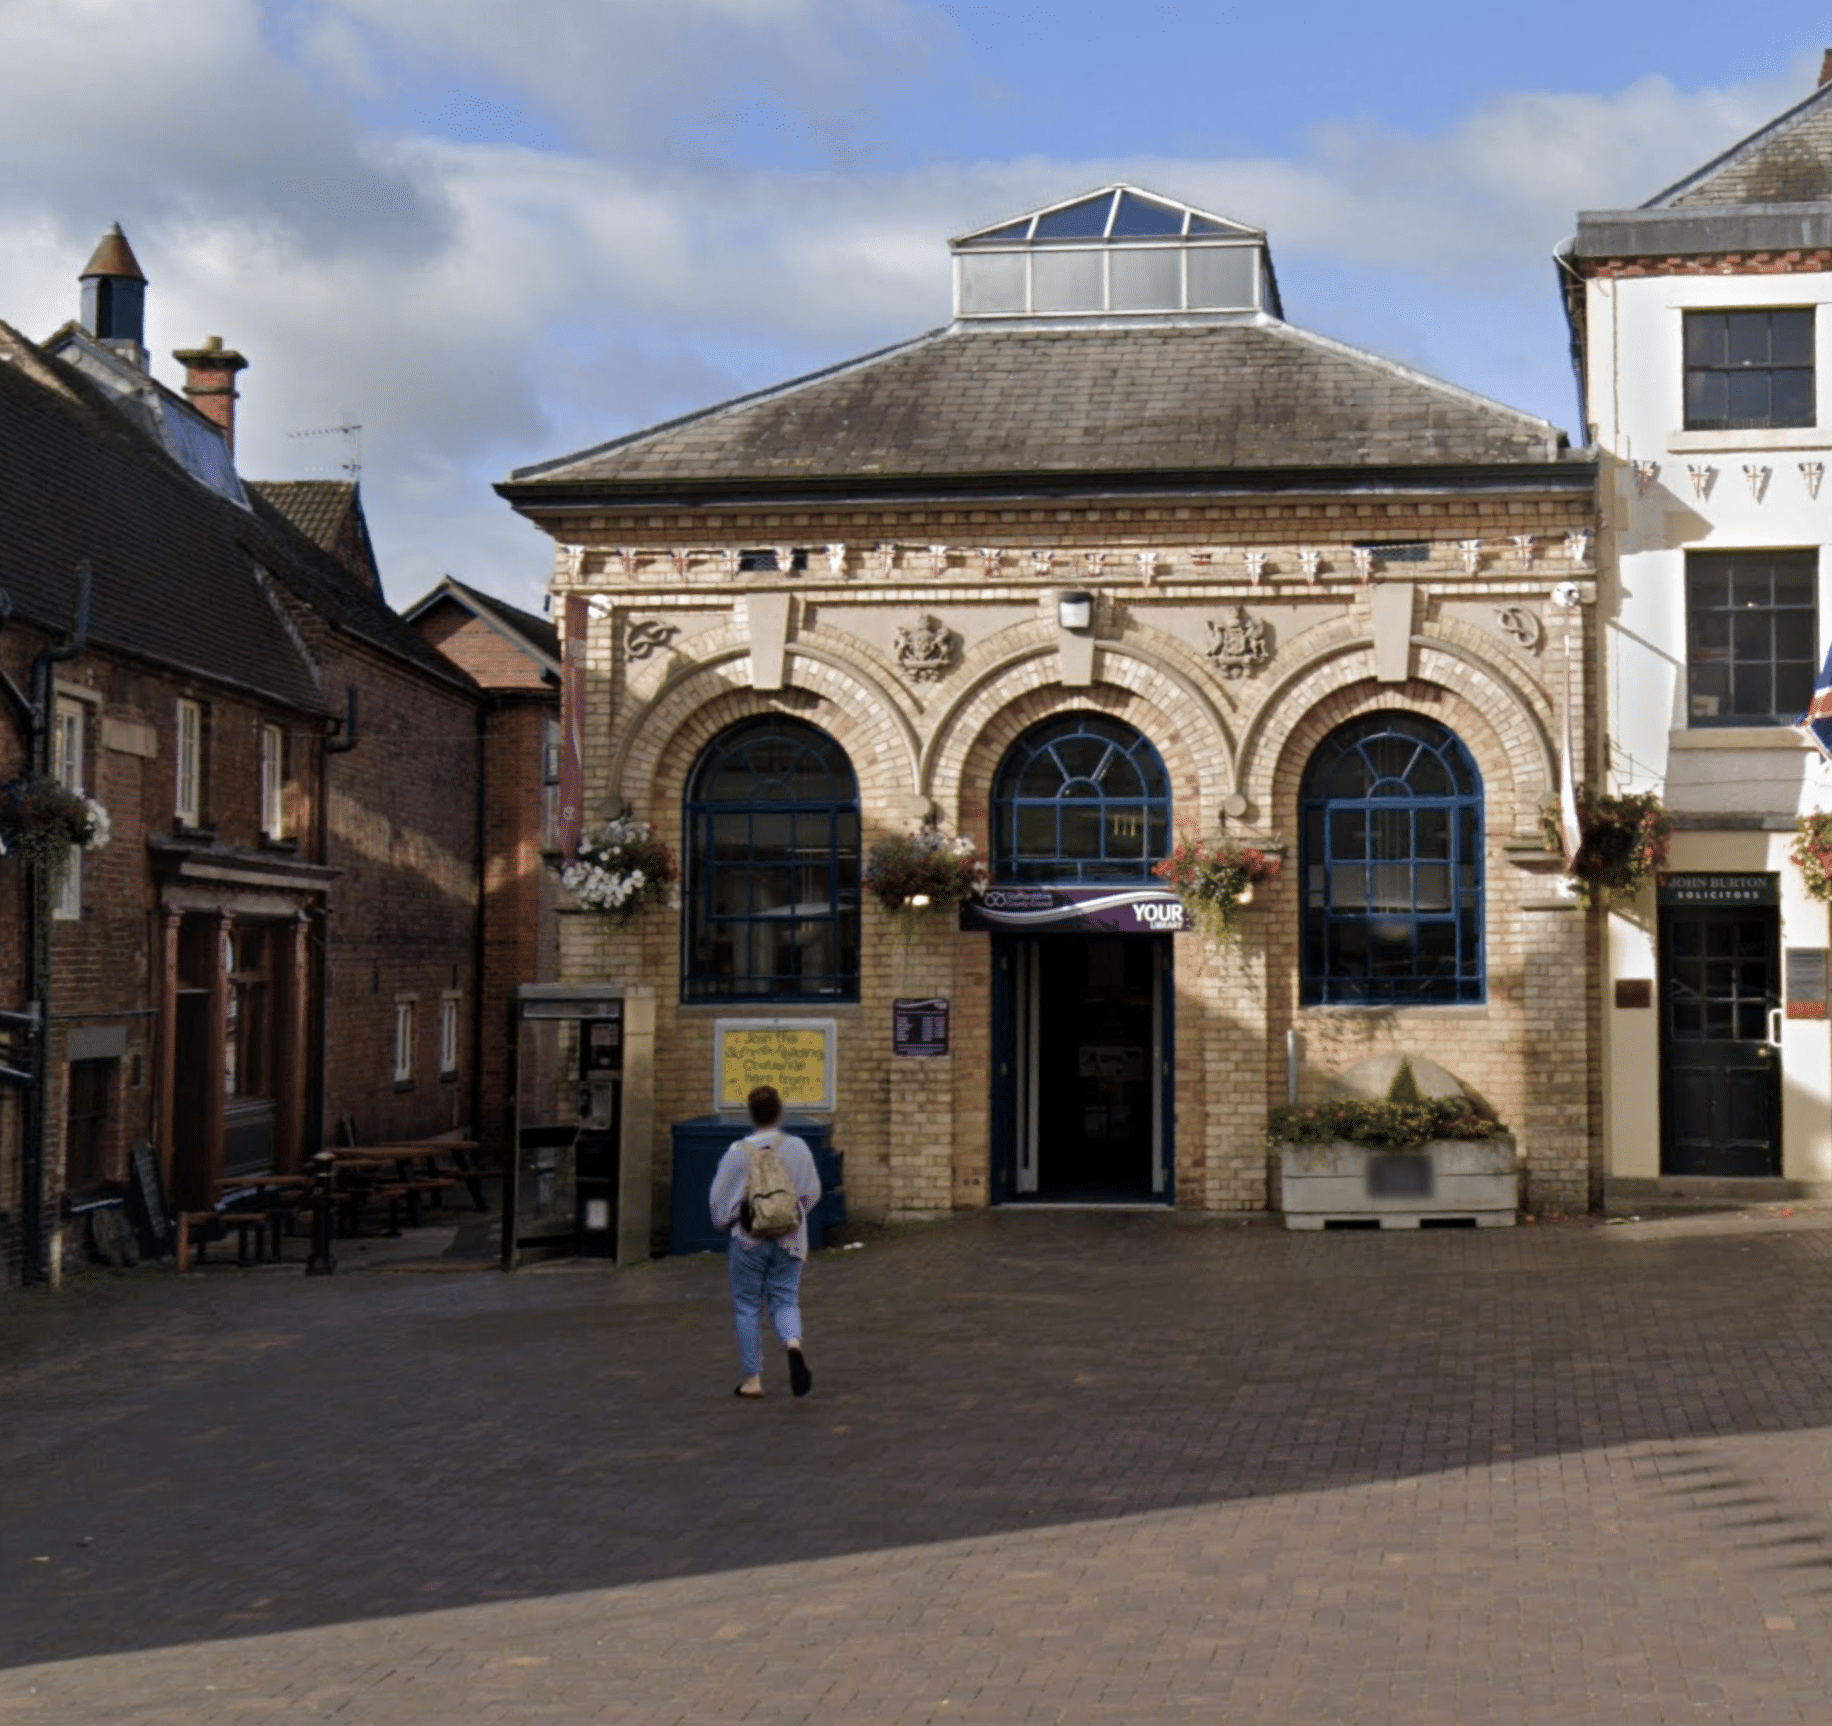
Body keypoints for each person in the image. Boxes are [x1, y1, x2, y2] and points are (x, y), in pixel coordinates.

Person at [709, 1085, 823, 1399]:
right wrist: (793, 1216)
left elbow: (718, 1204)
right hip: (790, 1238)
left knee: (747, 1306)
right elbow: (811, 1192)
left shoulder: (737, 1153)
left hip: (749, 1239)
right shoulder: (797, 1147)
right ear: (779, 1112)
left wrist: (730, 1220)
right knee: (785, 1298)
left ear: (751, 1113)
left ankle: (753, 1379)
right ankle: (793, 1343)